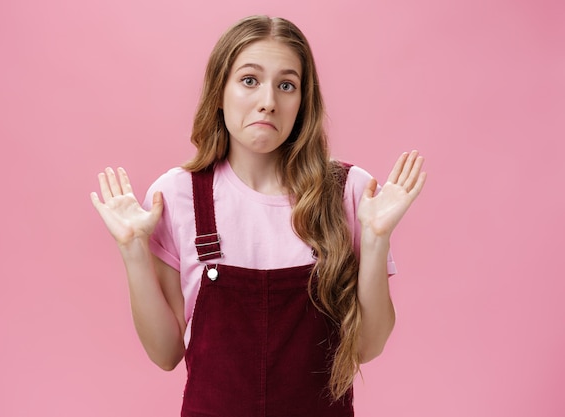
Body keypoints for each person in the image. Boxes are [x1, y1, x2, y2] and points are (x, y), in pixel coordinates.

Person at [90, 15, 426, 417]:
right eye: (249, 80)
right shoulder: (178, 195)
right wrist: (132, 250)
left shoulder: (351, 192)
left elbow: (368, 348)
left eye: (287, 85)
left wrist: (374, 240)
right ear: (220, 91)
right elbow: (165, 353)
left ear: (303, 103)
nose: (268, 100)